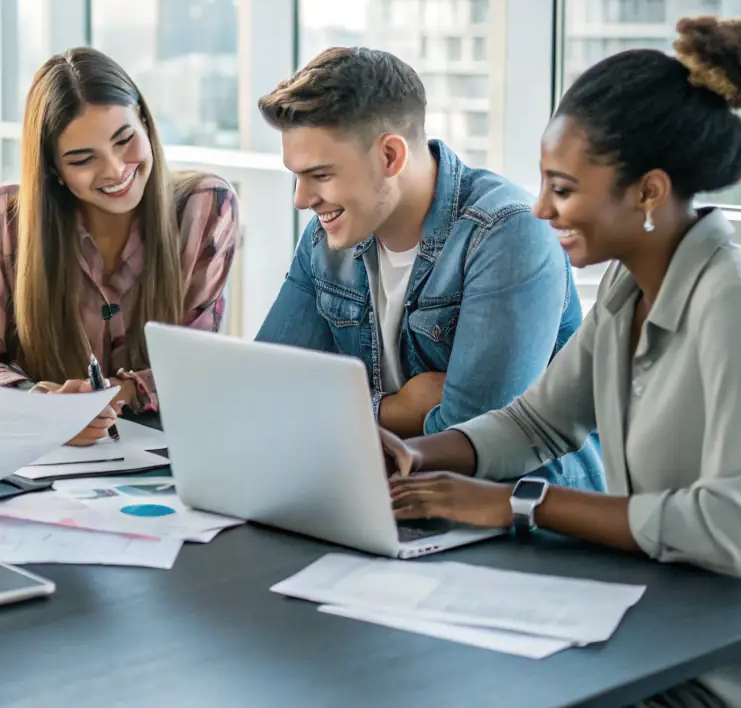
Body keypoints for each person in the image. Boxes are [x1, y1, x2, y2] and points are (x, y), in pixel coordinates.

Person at [384, 17, 741, 708]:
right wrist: (411, 454)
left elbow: (735, 530)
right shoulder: (627, 285)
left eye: (563, 188)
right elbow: (536, 425)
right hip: (673, 625)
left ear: (648, 192)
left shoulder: (736, 299)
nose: (541, 208)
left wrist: (519, 503)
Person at [255, 46, 604, 490]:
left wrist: (334, 407)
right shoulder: (328, 237)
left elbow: (473, 440)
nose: (301, 199)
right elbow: (265, 391)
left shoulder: (506, 233)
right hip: (391, 490)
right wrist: (399, 409)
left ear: (389, 157)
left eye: (320, 176)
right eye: (296, 176)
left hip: (526, 515)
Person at [0, 48, 239, 444]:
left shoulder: (205, 207)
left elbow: (196, 366)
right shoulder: (7, 218)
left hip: (165, 451)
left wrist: (112, 397)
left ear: (146, 124)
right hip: (43, 455)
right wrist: (40, 403)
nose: (115, 169)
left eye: (124, 139)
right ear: (55, 171)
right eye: (83, 160)